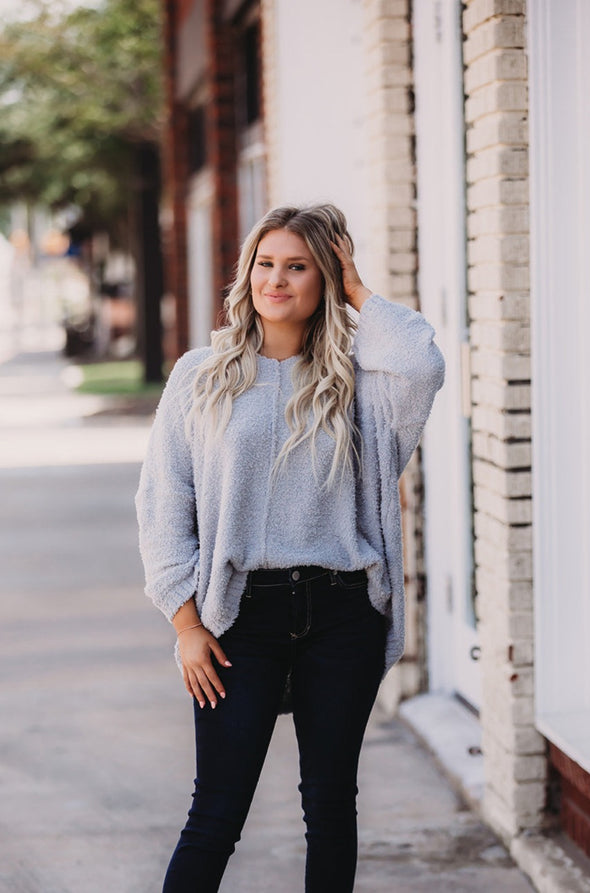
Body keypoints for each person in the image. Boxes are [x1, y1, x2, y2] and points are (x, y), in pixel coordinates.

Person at [135, 203, 445, 892]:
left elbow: (422, 363)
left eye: (297, 266)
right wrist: (186, 624)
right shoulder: (199, 375)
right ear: (247, 275)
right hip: (239, 616)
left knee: (331, 804)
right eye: (265, 264)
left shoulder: (363, 384)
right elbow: (162, 506)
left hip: (341, 613)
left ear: (324, 276)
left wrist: (360, 290)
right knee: (215, 810)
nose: (277, 279)